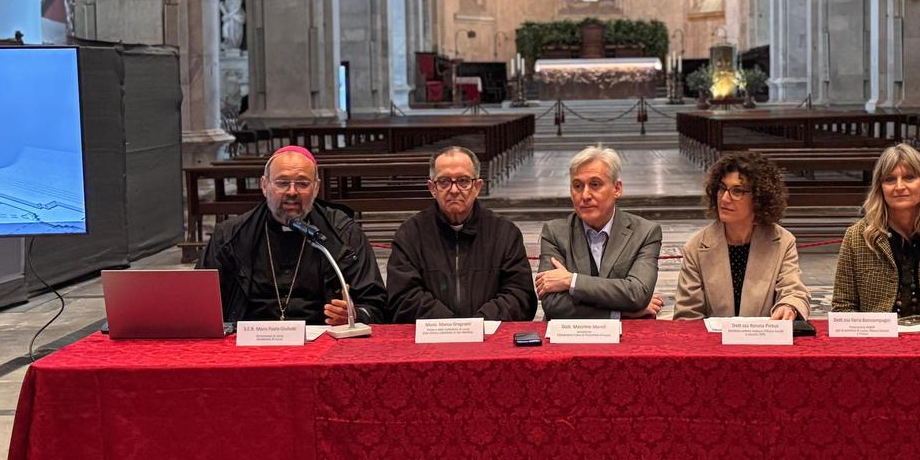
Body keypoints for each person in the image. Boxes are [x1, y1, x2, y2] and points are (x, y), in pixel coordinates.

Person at [200, 146, 386, 325]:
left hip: (325, 342)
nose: (292, 192)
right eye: (282, 183)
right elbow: (200, 305)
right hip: (248, 346)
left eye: (302, 184)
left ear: (316, 188)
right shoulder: (229, 236)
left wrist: (355, 315)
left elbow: (377, 305)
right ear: (264, 185)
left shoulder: (345, 234)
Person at [386, 145, 536, 322]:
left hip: (489, 338)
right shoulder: (410, 234)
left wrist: (480, 322)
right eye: (444, 182)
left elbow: (519, 294)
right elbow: (402, 296)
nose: (454, 190)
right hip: (431, 340)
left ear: (477, 186)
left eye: (463, 181)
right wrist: (451, 326)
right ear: (432, 188)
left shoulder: (505, 233)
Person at [831, 143, 920, 319]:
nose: (899, 187)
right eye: (890, 179)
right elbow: (843, 307)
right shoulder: (857, 236)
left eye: (909, 177)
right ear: (880, 188)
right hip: (877, 341)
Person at [674, 152, 810, 320]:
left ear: (759, 198)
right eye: (722, 188)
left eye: (737, 191)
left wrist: (788, 306)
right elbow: (687, 315)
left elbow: (793, 290)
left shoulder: (782, 241)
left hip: (764, 342)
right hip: (714, 343)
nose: (724, 198)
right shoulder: (696, 246)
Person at [536, 146, 664, 320]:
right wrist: (620, 312)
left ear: (617, 189)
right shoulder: (555, 233)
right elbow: (553, 305)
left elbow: (638, 293)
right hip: (570, 338)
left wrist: (571, 281)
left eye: (595, 185)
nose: (585, 195)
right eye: (577, 186)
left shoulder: (645, 232)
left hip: (627, 338)